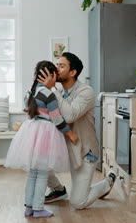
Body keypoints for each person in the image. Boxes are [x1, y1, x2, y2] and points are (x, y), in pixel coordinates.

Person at [37, 52, 117, 210]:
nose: (56, 68)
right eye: (56, 64)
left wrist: (52, 89)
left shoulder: (86, 92)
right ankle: (58, 190)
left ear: (73, 72)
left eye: (61, 65)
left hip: (83, 151)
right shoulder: (58, 93)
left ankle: (106, 183)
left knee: (77, 203)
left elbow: (69, 115)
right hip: (64, 148)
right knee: (36, 162)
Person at [5, 60, 79, 218]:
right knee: (43, 173)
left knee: (33, 173)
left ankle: (29, 207)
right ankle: (38, 208)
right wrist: (70, 133)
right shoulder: (49, 94)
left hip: (31, 132)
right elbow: (57, 119)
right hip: (45, 135)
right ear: (51, 76)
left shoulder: (30, 92)